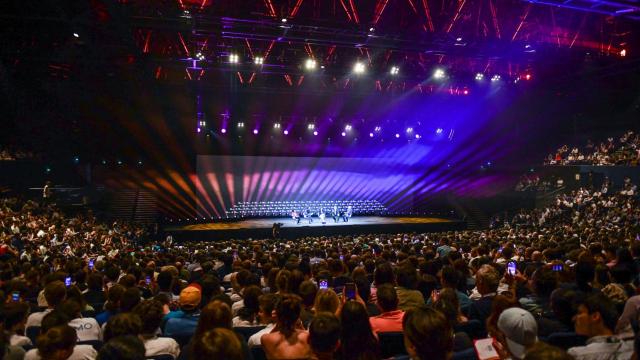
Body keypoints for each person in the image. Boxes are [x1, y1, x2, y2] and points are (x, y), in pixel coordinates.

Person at [568, 293, 634, 360]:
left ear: (595, 316)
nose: (573, 319)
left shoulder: (576, 355)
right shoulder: (633, 350)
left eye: (579, 313)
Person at [261, 294, 311, 360]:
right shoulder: (308, 338)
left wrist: (278, 321)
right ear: (298, 316)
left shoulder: (265, 339)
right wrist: (299, 325)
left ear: (277, 314)